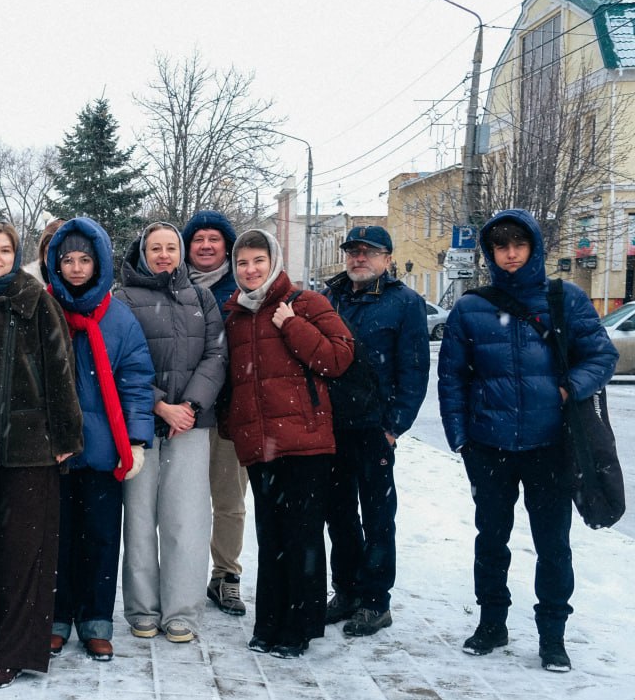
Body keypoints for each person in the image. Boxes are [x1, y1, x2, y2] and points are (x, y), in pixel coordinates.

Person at [438, 209, 616, 672]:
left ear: (533, 247)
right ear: (491, 252)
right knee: (491, 541)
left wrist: (567, 387)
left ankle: (552, 635)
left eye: (519, 244)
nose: (511, 253)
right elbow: (452, 377)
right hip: (489, 446)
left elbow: (602, 355)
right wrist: (461, 439)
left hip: (550, 446)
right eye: (501, 246)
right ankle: (491, 623)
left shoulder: (565, 300)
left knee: (553, 543)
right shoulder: (471, 307)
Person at [0, 222, 83, 690]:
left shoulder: (37, 302)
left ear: (16, 255)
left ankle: (13, 654)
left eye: (4, 250)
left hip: (31, 448)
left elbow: (60, 371)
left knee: (25, 554)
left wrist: (66, 434)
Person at [221, 229, 353, 658]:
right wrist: (232, 425)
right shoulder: (236, 314)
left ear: (274, 261)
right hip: (261, 446)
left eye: (258, 260)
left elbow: (338, 357)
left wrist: (292, 326)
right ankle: (269, 623)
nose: (250, 269)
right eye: (242, 263)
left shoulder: (306, 304)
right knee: (271, 536)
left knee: (303, 535)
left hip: (306, 443)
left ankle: (301, 626)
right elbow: (232, 380)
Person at [45, 218, 155, 661]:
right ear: (55, 263)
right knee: (57, 537)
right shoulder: (45, 309)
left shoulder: (119, 318)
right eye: (67, 259)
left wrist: (137, 438)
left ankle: (95, 620)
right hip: (55, 449)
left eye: (84, 259)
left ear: (99, 263)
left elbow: (136, 380)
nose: (75, 268)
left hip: (105, 448)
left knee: (102, 536)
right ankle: (55, 616)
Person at [115, 222, 226, 645]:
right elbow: (121, 361)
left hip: (191, 426)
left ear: (180, 253)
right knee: (140, 520)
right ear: (142, 253)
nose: (163, 255)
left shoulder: (201, 297)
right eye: (155, 248)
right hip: (141, 423)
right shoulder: (123, 299)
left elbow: (217, 355)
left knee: (186, 520)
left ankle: (182, 612)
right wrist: (159, 403)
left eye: (170, 247)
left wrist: (191, 407)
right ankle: (142, 609)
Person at [321, 225, 430, 637]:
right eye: (352, 251)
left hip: (374, 429)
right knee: (340, 515)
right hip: (332, 426)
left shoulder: (404, 303)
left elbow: (415, 370)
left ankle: (375, 601)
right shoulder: (329, 298)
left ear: (387, 258)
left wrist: (394, 426)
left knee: (378, 516)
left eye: (369, 252)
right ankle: (346, 590)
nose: (359, 258)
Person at [182, 210, 249, 616]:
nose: (206, 245)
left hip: (228, 415)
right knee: (184, 503)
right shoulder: (174, 286)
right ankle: (182, 573)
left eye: (214, 239)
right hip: (184, 415)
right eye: (198, 239)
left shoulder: (242, 289)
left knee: (229, 501)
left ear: (227, 246)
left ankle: (226, 576)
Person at [24, 218, 65, 287]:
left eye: (62, 254)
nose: (55, 261)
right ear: (42, 253)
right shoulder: (27, 285)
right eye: (49, 254)